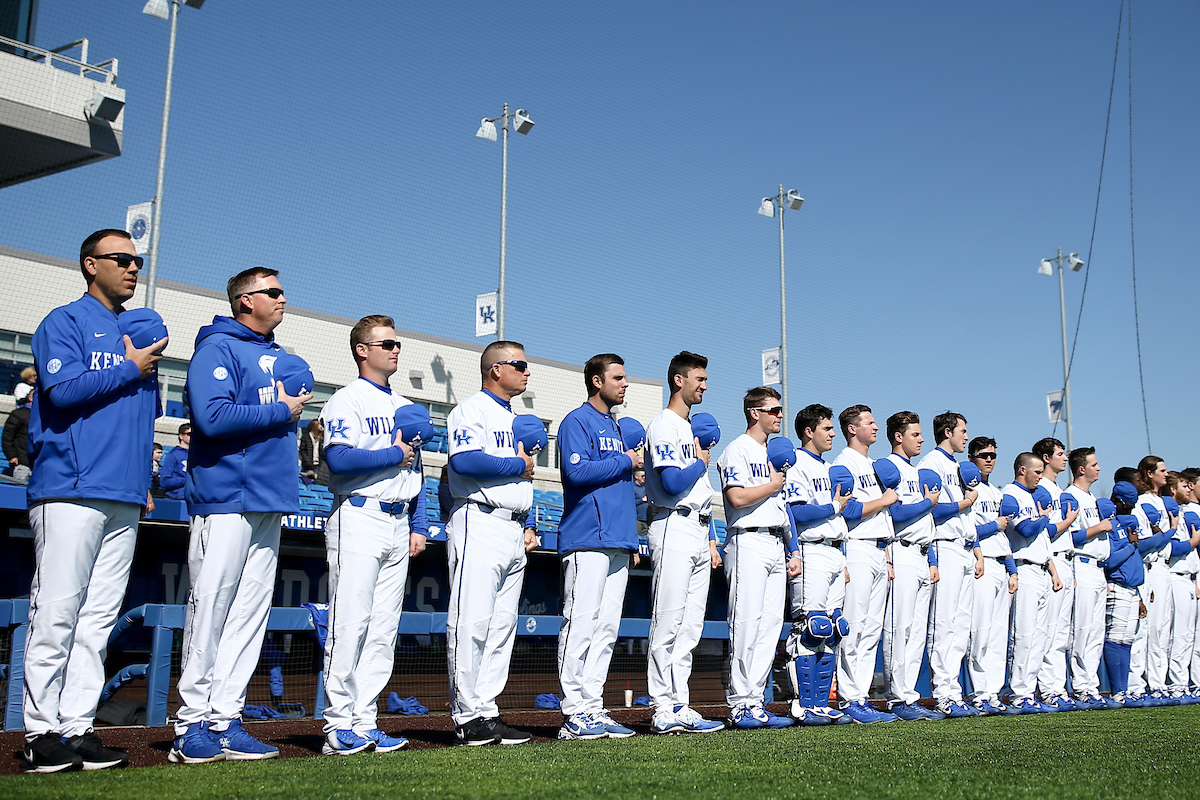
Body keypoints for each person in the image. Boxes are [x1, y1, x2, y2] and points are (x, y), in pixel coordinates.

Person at [22, 229, 164, 772]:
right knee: (56, 612)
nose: (132, 267)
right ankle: (39, 734)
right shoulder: (66, 321)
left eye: (138, 260)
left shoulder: (136, 332)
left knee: (97, 621)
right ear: (90, 265)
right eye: (122, 259)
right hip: (70, 489)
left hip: (124, 494)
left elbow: (141, 419)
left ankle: (77, 727)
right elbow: (61, 392)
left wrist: (142, 479)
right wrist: (129, 367)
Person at [170, 267, 310, 764]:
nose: (282, 297)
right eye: (273, 291)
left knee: (248, 618)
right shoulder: (218, 347)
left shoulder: (279, 358)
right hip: (226, 496)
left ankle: (226, 718)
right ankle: (190, 725)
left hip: (270, 500)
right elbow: (212, 417)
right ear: (245, 300)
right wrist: (283, 410)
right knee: (209, 611)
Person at [318, 315, 427, 755]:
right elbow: (339, 461)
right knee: (351, 622)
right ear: (362, 349)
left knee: (382, 630)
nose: (395, 349)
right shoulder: (346, 401)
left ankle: (365, 721)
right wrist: (393, 452)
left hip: (399, 519)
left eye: (398, 343)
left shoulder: (403, 404)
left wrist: (418, 524)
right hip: (358, 514)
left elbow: (415, 468)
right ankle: (337, 724)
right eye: (386, 343)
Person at [445, 340, 538, 746]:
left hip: (512, 527)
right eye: (519, 364)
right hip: (479, 520)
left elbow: (523, 480)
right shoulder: (471, 409)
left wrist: (529, 522)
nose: (526, 371)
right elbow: (464, 461)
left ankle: (487, 709)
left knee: (502, 626)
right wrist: (519, 464)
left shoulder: (514, 416)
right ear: (495, 369)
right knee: (472, 621)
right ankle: (467, 716)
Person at [554, 354, 642, 740]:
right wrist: (624, 461)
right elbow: (575, 472)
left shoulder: (619, 428)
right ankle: (574, 712)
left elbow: (624, 485)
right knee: (581, 625)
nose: (625, 384)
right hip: (587, 536)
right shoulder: (577, 420)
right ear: (595, 381)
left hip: (619, 538)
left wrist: (632, 536)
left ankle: (593, 706)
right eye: (618, 378)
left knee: (606, 629)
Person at [643, 351, 723, 734]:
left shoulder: (689, 428)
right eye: (700, 379)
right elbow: (674, 483)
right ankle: (661, 707)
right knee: (669, 621)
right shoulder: (665, 425)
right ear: (679, 380)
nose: (704, 385)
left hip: (698, 527)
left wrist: (709, 538)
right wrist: (700, 462)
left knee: (691, 627)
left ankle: (681, 703)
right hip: (672, 523)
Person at [718, 387, 797, 729]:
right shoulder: (737, 449)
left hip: (775, 541)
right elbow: (736, 498)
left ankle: (755, 699)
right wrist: (772, 484)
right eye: (774, 410)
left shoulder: (774, 453)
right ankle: (739, 703)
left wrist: (793, 548)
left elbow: (783, 507)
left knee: (770, 627)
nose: (780, 415)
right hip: (747, 539)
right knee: (746, 622)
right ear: (755, 413)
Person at [783, 403, 854, 726]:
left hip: (836, 550)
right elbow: (796, 513)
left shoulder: (828, 468)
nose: (832, 434)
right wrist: (834, 506)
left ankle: (822, 703)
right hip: (811, 549)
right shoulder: (797, 463)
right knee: (812, 628)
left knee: (835, 629)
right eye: (826, 428)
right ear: (809, 431)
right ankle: (803, 703)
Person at [831, 405, 899, 724]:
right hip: (856, 547)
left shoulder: (874, 464)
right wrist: (884, 501)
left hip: (879, 548)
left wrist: (886, 556)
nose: (874, 427)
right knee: (854, 627)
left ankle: (861, 696)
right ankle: (848, 699)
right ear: (852, 429)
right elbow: (846, 510)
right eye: (868, 423)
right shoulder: (844, 462)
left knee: (871, 630)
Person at [916, 412, 980, 718]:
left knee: (961, 625)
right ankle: (943, 693)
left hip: (964, 547)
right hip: (944, 546)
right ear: (947, 431)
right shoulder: (932, 463)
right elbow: (932, 510)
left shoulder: (957, 466)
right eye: (962, 431)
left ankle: (954, 690)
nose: (966, 436)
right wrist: (964, 503)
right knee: (944, 624)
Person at [881, 411, 942, 721]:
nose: (921, 439)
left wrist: (931, 559)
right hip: (900, 550)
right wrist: (927, 503)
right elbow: (896, 515)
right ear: (898, 437)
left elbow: (926, 522)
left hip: (921, 553)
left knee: (917, 632)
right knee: (899, 627)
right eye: (915, 434)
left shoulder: (917, 472)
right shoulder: (888, 467)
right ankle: (896, 697)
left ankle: (909, 695)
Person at [1002, 452, 1063, 713]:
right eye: (1036, 471)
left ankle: (1029, 690)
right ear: (1021, 470)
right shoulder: (1010, 494)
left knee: (1039, 637)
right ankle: (1018, 693)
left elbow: (1041, 539)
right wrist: (1044, 518)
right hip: (1023, 568)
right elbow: (1025, 530)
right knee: (1024, 635)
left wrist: (1053, 571)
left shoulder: (1031, 497)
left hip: (1041, 568)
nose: (1040, 475)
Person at [964, 437, 1017, 714]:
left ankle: (993, 691)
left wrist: (1012, 568)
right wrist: (993, 527)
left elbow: (1005, 538)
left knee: (998, 634)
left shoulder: (996, 492)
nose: (989, 459)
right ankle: (978, 691)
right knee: (980, 631)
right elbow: (971, 531)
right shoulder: (969, 490)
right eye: (983, 454)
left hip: (1000, 564)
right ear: (972, 456)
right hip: (980, 562)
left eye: (993, 455)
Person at [1064, 446, 1119, 709]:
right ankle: (1081, 687)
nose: (1099, 468)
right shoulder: (1070, 495)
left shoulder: (1092, 498)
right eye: (1094, 464)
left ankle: (1091, 685)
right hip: (1081, 564)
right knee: (1083, 630)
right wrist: (1099, 527)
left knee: (1096, 631)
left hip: (1097, 568)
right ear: (1081, 468)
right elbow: (1070, 537)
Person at [1032, 437, 1080, 710]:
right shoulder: (1043, 490)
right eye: (1060, 454)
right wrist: (1067, 522)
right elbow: (1045, 532)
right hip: (1052, 560)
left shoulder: (1057, 489)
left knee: (1061, 632)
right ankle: (1049, 689)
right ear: (1046, 458)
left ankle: (1059, 689)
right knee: (1050, 630)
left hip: (1066, 559)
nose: (1065, 458)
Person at [1128, 456, 1174, 704]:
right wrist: (1169, 532)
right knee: (1147, 630)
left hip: (1163, 567)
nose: (1166, 475)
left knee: (1162, 630)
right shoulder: (1144, 502)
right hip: (1151, 567)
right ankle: (1138, 684)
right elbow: (1145, 542)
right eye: (1162, 471)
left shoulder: (1160, 501)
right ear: (1148, 473)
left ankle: (1158, 683)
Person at [1104, 481, 1147, 705]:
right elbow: (1110, 562)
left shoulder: (1126, 524)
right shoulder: (1110, 525)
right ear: (1118, 502)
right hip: (1117, 586)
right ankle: (1117, 691)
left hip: (1131, 589)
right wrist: (1131, 545)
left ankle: (1124, 691)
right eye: (1127, 504)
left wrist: (1139, 595)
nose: (1129, 508)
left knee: (1127, 640)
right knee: (1115, 638)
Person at [1163, 473, 1200, 701]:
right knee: (1178, 635)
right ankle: (1177, 684)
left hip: (1189, 576)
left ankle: (1188, 683)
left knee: (1188, 637)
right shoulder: (1175, 514)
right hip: (1175, 575)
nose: (1188, 489)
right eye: (1183, 486)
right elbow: (1175, 548)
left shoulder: (1184, 513)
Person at [4, 387, 32, 482]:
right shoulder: (20, 414)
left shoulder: (46, 416)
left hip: (40, 464)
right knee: (20, 488)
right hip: (22, 462)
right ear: (31, 398)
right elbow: (8, 436)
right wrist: (11, 455)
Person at [158, 423, 191, 500]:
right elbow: (164, 482)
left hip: (193, 499)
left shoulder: (196, 454)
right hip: (176, 498)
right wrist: (187, 480)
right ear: (181, 436)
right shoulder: (173, 455)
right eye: (189, 434)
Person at [300, 418, 329, 485]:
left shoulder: (321, 438)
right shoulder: (306, 437)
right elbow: (303, 451)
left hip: (318, 465)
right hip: (308, 465)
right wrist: (308, 463)